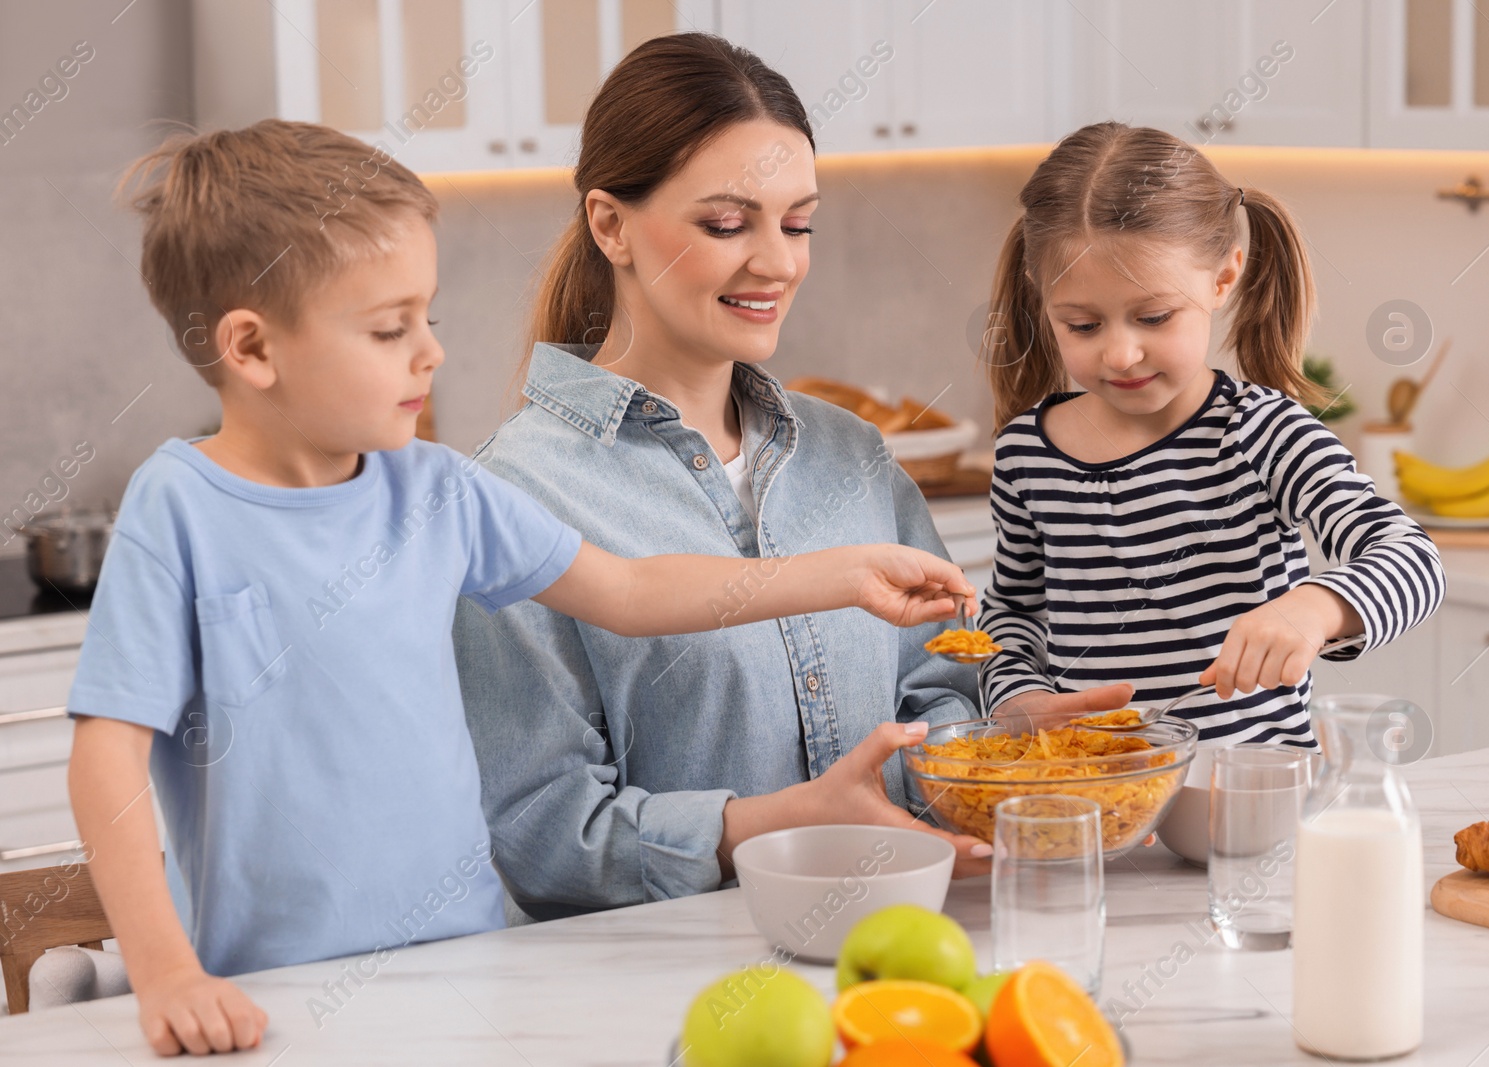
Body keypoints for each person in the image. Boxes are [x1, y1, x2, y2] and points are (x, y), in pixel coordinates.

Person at [66, 119, 976, 1057]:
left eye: (429, 318)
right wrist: (168, 968)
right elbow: (107, 760)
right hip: (263, 992)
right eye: (389, 328)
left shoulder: (437, 488)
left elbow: (629, 589)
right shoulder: (179, 506)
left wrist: (834, 572)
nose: (431, 353)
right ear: (252, 350)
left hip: (467, 964)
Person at [452, 34, 1132, 919]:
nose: (777, 261)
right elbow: (546, 836)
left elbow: (933, 687)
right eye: (727, 224)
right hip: (662, 994)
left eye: (798, 222)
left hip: (904, 945)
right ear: (610, 224)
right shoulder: (514, 497)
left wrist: (999, 746)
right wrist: (774, 826)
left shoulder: (852, 456)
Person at [978, 121, 1446, 746]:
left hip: (1250, 809)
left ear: (1223, 279)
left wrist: (1316, 609)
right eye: (1083, 326)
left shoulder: (1262, 433)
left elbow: (1414, 560)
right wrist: (1016, 695)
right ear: (1044, 299)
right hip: (1094, 798)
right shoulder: (1027, 454)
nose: (1120, 353)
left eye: (1153, 317)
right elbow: (1012, 611)